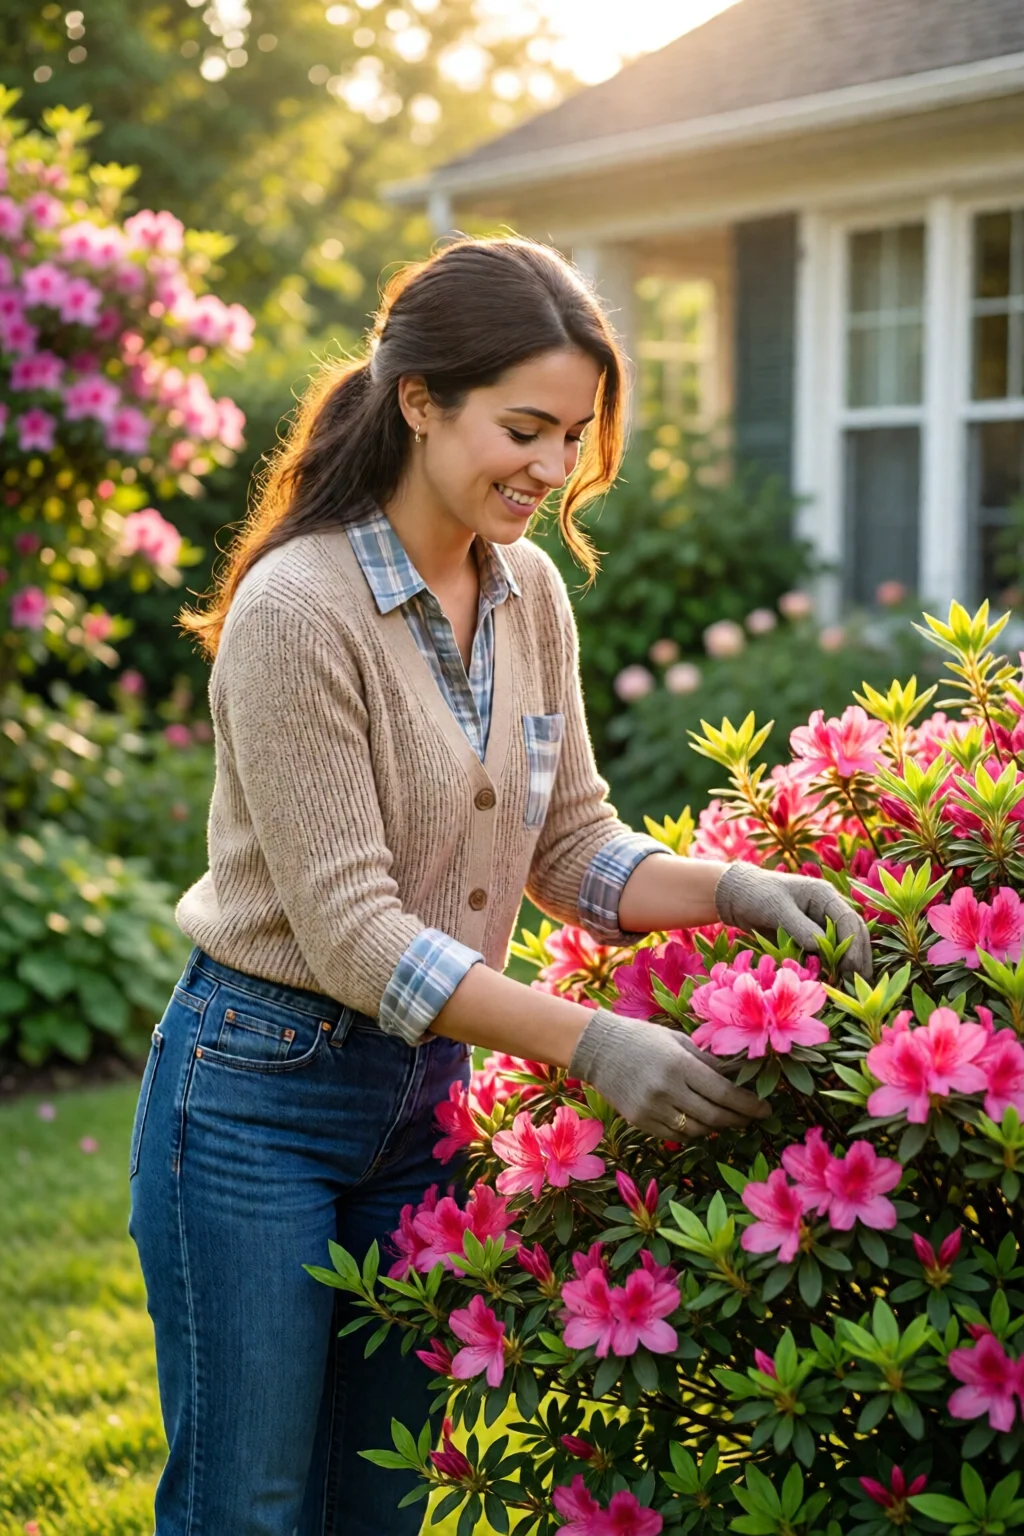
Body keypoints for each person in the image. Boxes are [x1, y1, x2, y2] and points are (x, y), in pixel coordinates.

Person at [127, 234, 871, 1536]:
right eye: (525, 427)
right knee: (247, 1506)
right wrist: (597, 1047)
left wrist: (736, 890)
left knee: (382, 1501)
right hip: (254, 1101)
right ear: (420, 400)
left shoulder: (527, 591)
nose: (551, 468)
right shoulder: (298, 609)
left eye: (573, 436)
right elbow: (357, 936)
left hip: (425, 1107)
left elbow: (571, 843)